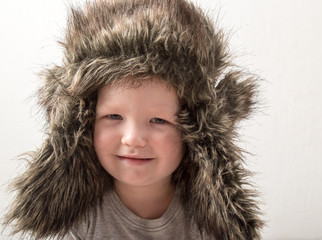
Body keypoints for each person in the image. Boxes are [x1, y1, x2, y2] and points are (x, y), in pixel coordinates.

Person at [4, 0, 263, 239]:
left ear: (198, 129)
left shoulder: (207, 223)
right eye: (114, 116)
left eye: (159, 120)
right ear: (81, 122)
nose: (133, 139)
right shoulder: (80, 220)